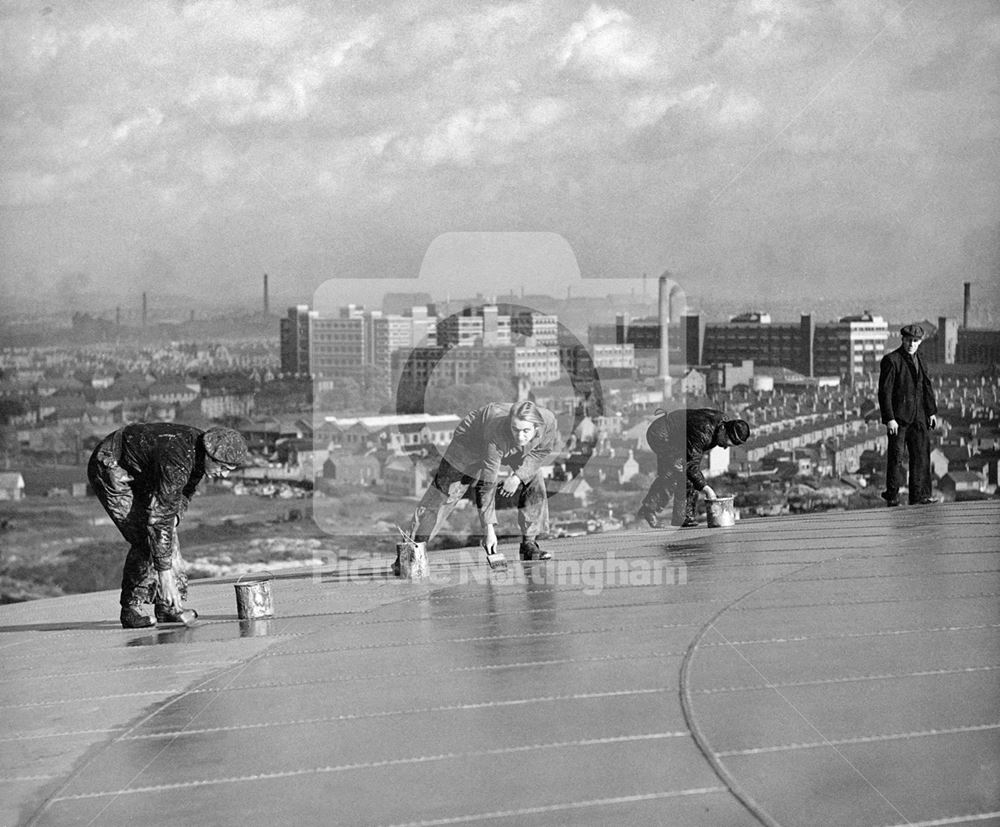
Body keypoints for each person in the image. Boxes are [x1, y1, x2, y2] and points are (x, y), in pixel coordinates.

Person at [87, 423, 249, 628]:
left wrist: (174, 519)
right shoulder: (177, 459)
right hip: (111, 464)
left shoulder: (198, 455)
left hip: (144, 469)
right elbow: (158, 519)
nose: (224, 475)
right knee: (146, 538)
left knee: (165, 532)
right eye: (223, 468)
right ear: (210, 455)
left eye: (229, 470)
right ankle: (131, 608)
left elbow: (183, 494)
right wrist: (165, 575)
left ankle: (168, 606)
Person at [404, 400, 560, 564]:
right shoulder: (497, 434)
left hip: (509, 445)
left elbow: (540, 453)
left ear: (537, 427)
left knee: (534, 478)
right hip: (469, 443)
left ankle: (529, 545)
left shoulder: (548, 421)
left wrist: (517, 477)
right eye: (515, 429)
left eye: (526, 431)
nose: (520, 436)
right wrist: (489, 530)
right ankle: (410, 553)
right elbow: (486, 486)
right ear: (509, 425)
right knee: (444, 494)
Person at [636, 408, 751, 528]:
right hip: (662, 435)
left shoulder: (722, 424)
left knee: (686, 475)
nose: (725, 447)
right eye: (726, 442)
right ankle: (651, 510)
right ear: (723, 430)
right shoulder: (703, 432)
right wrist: (707, 490)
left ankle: (683, 516)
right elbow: (691, 466)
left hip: (676, 438)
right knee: (676, 472)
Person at [877, 324, 939, 507]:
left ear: (920, 342)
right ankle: (892, 496)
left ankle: (920, 496)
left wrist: (931, 412)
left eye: (915, 341)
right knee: (896, 457)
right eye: (908, 340)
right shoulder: (891, 360)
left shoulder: (921, 358)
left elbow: (926, 386)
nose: (911, 344)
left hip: (919, 416)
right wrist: (889, 418)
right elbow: (884, 392)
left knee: (921, 456)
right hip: (898, 419)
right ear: (902, 339)